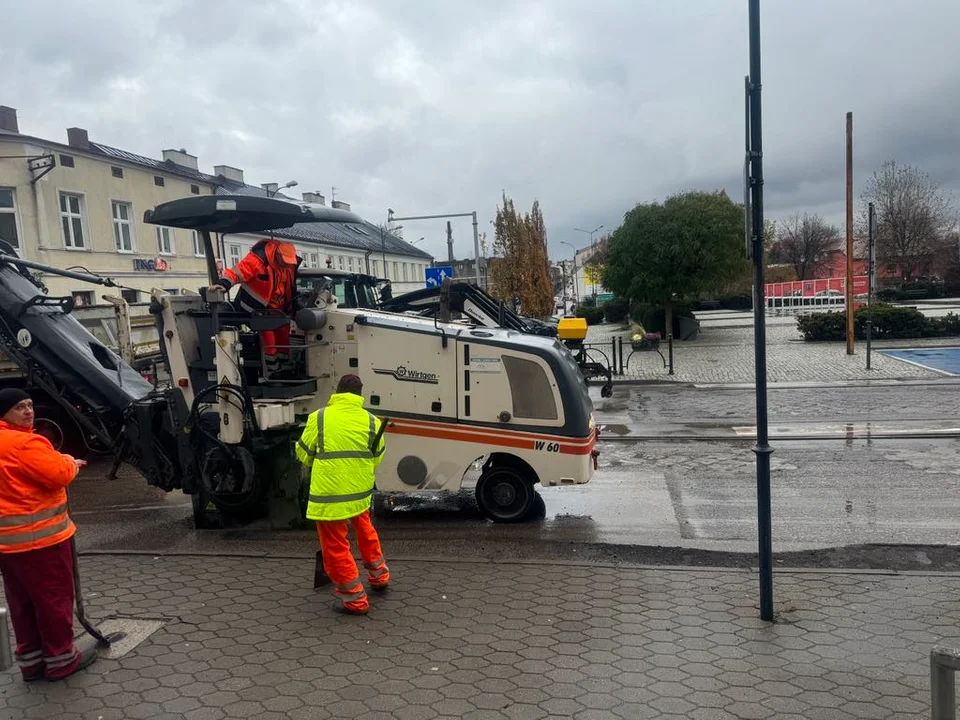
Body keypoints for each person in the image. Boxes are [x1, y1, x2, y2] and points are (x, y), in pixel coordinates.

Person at [0, 388, 96, 681]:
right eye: (19, 407)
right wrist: (69, 462)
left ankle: (31, 662)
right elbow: (58, 474)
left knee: (22, 603)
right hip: (42, 542)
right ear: (4, 413)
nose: (28, 411)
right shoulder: (26, 444)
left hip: (8, 546)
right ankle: (61, 660)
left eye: (29, 405)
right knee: (52, 601)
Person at [296, 374, 389, 615]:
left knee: (336, 545)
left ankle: (355, 600)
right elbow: (377, 456)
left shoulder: (319, 417)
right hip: (359, 491)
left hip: (331, 494)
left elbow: (304, 454)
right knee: (365, 529)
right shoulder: (372, 421)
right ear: (360, 395)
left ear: (336, 393)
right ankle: (379, 577)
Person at [210, 238, 300, 374]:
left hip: (279, 309)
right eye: (285, 262)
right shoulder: (257, 260)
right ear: (277, 255)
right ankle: (273, 373)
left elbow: (290, 287)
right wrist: (223, 284)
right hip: (258, 308)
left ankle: (284, 369)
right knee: (269, 339)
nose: (287, 265)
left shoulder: (289, 266)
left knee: (283, 338)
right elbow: (236, 272)